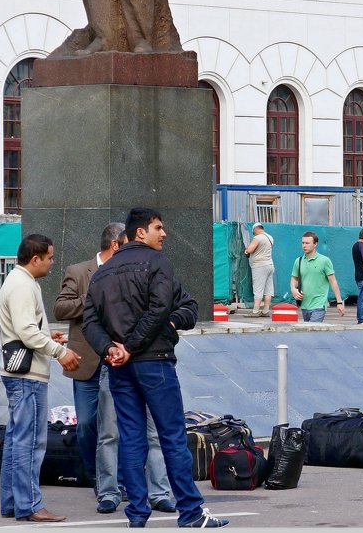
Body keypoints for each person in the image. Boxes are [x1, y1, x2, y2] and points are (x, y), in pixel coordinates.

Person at [83, 207, 229, 528]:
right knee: (172, 437)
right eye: (158, 228)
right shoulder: (157, 262)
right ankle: (191, 512)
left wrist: (112, 349)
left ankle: (137, 515)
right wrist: (132, 346)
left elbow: (89, 322)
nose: (164, 234)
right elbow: (160, 307)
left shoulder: (103, 272)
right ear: (140, 232)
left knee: (132, 439)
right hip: (155, 362)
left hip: (120, 368)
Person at [53, 223, 175, 515]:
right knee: (92, 427)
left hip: (137, 359)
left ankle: (150, 490)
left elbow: (169, 307)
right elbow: (65, 310)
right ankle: (103, 485)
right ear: (117, 245)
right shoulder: (84, 271)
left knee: (149, 432)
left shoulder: (149, 270)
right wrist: (95, 296)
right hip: (96, 359)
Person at [0, 234, 81, 523]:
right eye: (49, 256)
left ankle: (13, 501)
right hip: (27, 377)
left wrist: (47, 336)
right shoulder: (22, 285)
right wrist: (59, 351)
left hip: (19, 374)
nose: (52, 261)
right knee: (30, 442)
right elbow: (25, 331)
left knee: (16, 439)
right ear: (35, 259)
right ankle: (30, 505)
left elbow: (27, 330)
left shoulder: (20, 281)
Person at [290, 230, 346, 323]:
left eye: (307, 243)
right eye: (303, 243)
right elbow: (294, 278)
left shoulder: (324, 261)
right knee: (310, 335)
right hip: (304, 305)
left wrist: (339, 302)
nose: (304, 245)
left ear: (315, 244)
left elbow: (333, 282)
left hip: (319, 305)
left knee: (312, 331)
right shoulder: (298, 261)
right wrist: (293, 289)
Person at [244, 222, 275, 317]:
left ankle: (255, 311)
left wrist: (246, 250)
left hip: (259, 266)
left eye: (253, 231)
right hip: (269, 265)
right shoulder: (270, 237)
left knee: (258, 289)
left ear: (255, 229)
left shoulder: (257, 238)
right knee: (268, 290)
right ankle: (265, 311)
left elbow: (249, 250)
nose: (253, 233)